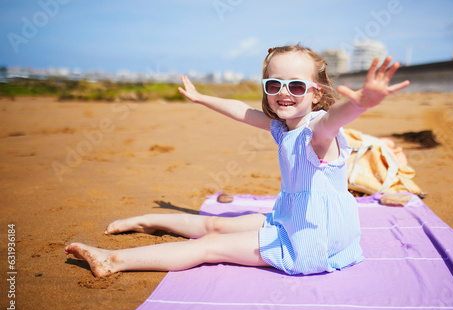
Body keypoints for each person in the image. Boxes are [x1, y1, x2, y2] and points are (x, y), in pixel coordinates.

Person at [65, 44, 409, 277]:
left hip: (310, 239)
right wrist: (202, 98)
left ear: (316, 92)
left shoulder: (317, 131)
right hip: (298, 218)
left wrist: (363, 102)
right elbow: (242, 111)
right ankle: (146, 221)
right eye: (274, 84)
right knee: (218, 223)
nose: (283, 92)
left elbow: (335, 118)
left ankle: (113, 260)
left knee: (210, 245)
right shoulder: (284, 125)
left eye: (296, 86)